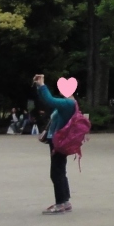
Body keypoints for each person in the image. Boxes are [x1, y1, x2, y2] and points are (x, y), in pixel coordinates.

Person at [33, 74, 77, 213]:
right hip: (58, 140)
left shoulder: (68, 104)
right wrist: (39, 87)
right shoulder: (68, 103)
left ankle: (61, 203)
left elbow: (50, 100)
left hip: (59, 142)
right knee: (60, 170)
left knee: (56, 172)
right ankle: (65, 201)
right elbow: (48, 102)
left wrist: (41, 84)